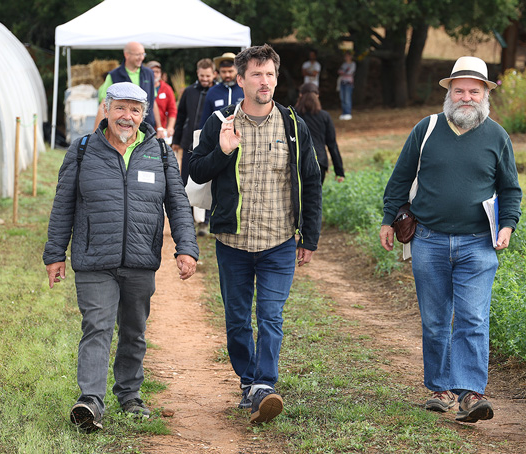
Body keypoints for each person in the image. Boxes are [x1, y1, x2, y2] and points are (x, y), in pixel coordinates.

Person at [44, 82, 199, 432]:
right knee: (97, 326)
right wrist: (55, 255)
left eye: (134, 110)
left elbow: (177, 202)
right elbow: (62, 205)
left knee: (133, 330)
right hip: (94, 257)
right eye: (120, 108)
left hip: (140, 257)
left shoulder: (158, 152)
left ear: (143, 115)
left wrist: (186, 247)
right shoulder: (83, 150)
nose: (126, 117)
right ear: (106, 110)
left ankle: (129, 395)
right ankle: (91, 402)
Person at [379, 56, 522, 424]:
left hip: (478, 243)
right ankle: (440, 390)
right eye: (459, 90)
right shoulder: (426, 129)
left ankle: (471, 393)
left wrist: (507, 225)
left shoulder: (497, 136)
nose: (466, 97)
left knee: (473, 317)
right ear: (449, 93)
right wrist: (386, 220)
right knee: (436, 319)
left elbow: (510, 189)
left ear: (485, 94)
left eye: (474, 91)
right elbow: (399, 178)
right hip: (428, 240)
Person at [189, 44, 322, 425]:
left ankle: (264, 385)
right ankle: (248, 381)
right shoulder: (221, 123)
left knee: (270, 316)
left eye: (270, 75)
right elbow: (196, 171)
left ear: (277, 79)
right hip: (233, 242)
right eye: (257, 75)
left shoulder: (294, 125)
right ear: (241, 79)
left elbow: (311, 181)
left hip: (279, 240)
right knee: (235, 319)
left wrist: (308, 237)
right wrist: (224, 152)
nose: (265, 82)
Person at [94, 42, 163, 136]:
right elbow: (104, 104)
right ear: (127, 55)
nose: (141, 58)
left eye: (143, 54)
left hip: (147, 129)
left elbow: (153, 101)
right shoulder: (114, 75)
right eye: (138, 54)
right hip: (123, 128)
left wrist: (159, 127)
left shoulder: (149, 74)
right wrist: (95, 134)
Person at [172, 58, 216, 186]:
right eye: (202, 75)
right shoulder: (189, 91)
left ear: (214, 74)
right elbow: (181, 116)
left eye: (208, 76)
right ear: (197, 73)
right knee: (185, 180)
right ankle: (186, 206)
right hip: (189, 143)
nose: (205, 79)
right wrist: (176, 140)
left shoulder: (217, 92)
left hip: (210, 144)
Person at [295, 83, 345, 184]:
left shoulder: (292, 114)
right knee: (314, 197)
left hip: (297, 162)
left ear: (300, 95)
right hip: (319, 161)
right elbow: (332, 144)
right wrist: (339, 171)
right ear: (317, 96)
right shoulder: (324, 116)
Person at [199, 52, 244, 126]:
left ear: (237, 70)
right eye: (223, 72)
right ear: (219, 72)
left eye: (230, 71)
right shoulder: (213, 91)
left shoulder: (245, 89)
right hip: (217, 135)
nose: (227, 75)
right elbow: (205, 119)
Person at [146, 61, 177, 140]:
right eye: (152, 71)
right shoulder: (144, 86)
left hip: (161, 129)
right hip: (145, 127)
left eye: (157, 72)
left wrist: (170, 127)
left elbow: (172, 109)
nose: (155, 74)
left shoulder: (166, 88)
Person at [337, 51, 356, 120]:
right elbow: (339, 71)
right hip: (342, 82)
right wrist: (344, 72)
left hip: (348, 83)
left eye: (348, 56)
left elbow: (349, 72)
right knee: (342, 98)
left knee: (347, 98)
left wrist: (344, 72)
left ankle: (348, 113)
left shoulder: (353, 64)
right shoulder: (344, 64)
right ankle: (344, 113)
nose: (346, 57)